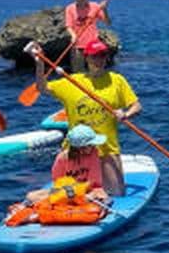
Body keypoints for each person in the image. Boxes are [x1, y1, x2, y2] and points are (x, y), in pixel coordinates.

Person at [32, 38, 141, 196]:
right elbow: (41, 88)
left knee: (118, 194)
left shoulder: (117, 81)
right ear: (87, 58)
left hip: (106, 148)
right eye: (94, 56)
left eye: (103, 55)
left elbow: (137, 106)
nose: (99, 60)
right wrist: (39, 63)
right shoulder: (72, 82)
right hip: (77, 150)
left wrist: (125, 114)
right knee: (70, 194)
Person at [22, 124, 109, 205]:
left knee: (101, 196)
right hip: (66, 190)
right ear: (80, 148)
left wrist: (80, 192)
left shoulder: (94, 153)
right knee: (31, 196)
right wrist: (71, 192)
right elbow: (58, 180)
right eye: (90, 144)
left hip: (88, 190)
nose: (94, 146)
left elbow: (93, 182)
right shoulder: (62, 158)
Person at [64, 0, 111, 73]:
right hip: (77, 47)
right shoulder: (70, 8)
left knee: (95, 72)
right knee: (78, 74)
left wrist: (104, 9)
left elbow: (108, 23)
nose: (79, 0)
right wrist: (73, 35)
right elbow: (68, 26)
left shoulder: (95, 7)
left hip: (93, 46)